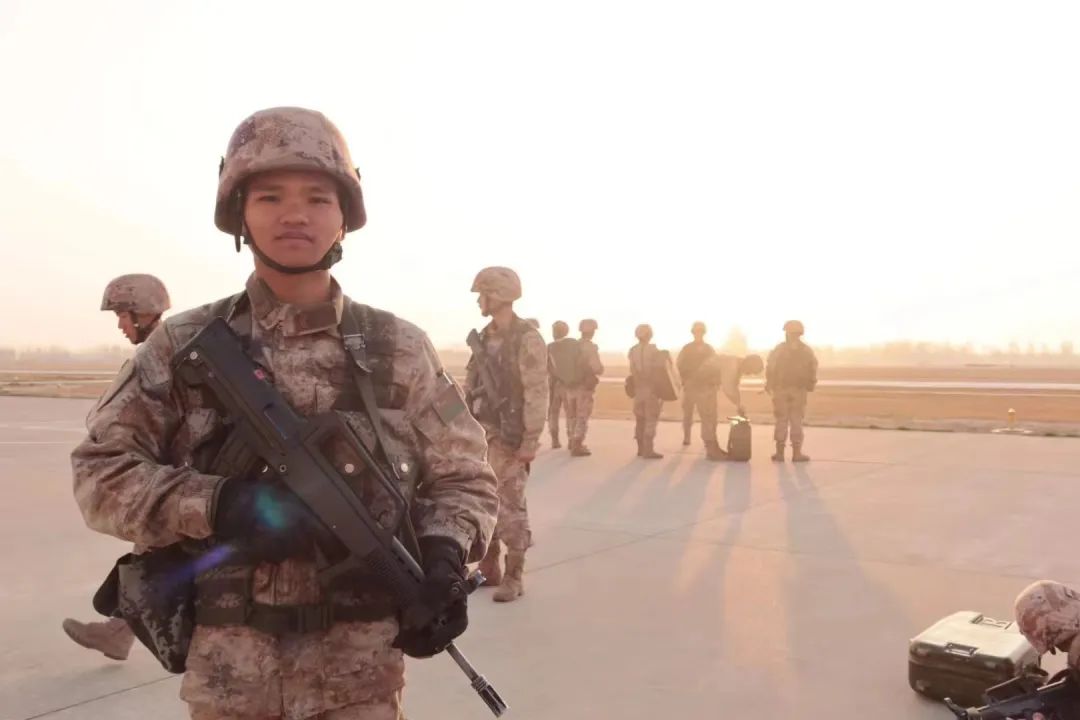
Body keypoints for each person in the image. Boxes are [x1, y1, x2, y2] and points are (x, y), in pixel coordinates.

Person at [71, 106, 499, 719]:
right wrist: (221, 504)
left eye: (318, 199)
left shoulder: (398, 347)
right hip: (230, 682)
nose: (295, 214)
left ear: (344, 218)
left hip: (361, 684)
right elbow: (100, 475)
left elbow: (464, 477)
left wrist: (445, 554)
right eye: (270, 196)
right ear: (239, 214)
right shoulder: (182, 346)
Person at [61, 273, 171, 661]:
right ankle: (118, 633)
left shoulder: (163, 354)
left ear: (143, 312)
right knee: (150, 556)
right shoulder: (166, 348)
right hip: (168, 477)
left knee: (158, 560)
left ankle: (119, 633)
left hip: (177, 480)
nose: (121, 325)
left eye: (123, 315)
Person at [466, 266, 548, 603]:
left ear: (498, 296)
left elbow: (537, 390)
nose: (479, 302)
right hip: (482, 434)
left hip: (510, 436)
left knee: (511, 506)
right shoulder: (484, 338)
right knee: (483, 502)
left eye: (483, 295)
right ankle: (489, 566)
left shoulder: (526, 338)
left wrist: (530, 439)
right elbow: (471, 385)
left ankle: (515, 574)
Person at [766, 320, 818, 462]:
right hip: (798, 391)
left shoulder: (779, 349)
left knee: (781, 420)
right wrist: (811, 384)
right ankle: (796, 453)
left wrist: (769, 384)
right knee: (796, 420)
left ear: (787, 333)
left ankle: (780, 453)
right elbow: (813, 368)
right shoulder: (806, 351)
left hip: (781, 390)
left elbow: (771, 367)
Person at [676, 322, 720, 458]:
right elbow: (679, 365)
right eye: (697, 331)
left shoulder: (708, 349)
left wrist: (714, 382)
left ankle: (707, 440)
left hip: (703, 387)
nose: (698, 334)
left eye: (700, 331)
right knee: (689, 414)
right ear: (694, 333)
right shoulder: (689, 349)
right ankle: (687, 437)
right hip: (692, 386)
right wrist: (685, 378)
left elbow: (716, 366)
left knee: (706, 415)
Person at [564, 319, 604, 457]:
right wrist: (600, 370)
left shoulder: (572, 346)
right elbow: (597, 367)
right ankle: (577, 444)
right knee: (582, 415)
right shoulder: (590, 347)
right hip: (583, 387)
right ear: (592, 331)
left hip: (570, 386)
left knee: (572, 415)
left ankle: (571, 440)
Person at [628, 324, 664, 459]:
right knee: (651, 419)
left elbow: (632, 370)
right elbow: (660, 370)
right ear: (649, 335)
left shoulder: (632, 351)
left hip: (638, 390)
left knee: (640, 419)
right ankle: (648, 450)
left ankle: (640, 449)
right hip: (650, 389)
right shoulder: (653, 350)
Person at [546, 320, 573, 449]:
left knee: (553, 413)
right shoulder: (571, 346)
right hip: (568, 384)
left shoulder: (549, 347)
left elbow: (546, 366)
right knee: (570, 413)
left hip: (554, 384)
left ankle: (555, 440)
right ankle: (571, 439)